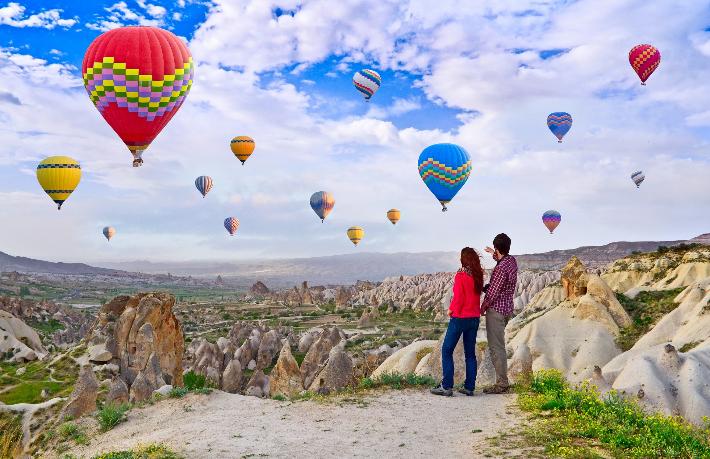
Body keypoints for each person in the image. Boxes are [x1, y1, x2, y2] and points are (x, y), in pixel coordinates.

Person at [431, 247, 484, 397]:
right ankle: (469, 387)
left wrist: (451, 310)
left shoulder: (461, 275)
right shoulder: (477, 275)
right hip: (474, 318)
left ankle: (446, 386)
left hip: (460, 318)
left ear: (463, 259)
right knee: (470, 354)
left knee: (447, 350)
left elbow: (459, 297)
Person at [481, 233, 518, 394]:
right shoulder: (511, 261)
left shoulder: (500, 269)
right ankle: (502, 381)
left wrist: (482, 307)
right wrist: (493, 253)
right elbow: (502, 260)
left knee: (496, 347)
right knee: (500, 345)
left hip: (496, 310)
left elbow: (493, 292)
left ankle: (502, 384)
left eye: (495, 249)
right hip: (507, 308)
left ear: (498, 248)